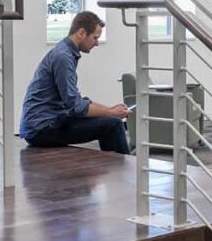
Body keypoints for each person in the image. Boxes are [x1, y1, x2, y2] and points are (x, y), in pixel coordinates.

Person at [20, 11, 131, 153]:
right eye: (95, 38)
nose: (96, 43)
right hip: (41, 129)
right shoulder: (63, 57)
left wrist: (110, 110)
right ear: (81, 33)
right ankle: (127, 172)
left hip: (46, 123)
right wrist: (111, 113)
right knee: (113, 124)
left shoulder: (64, 52)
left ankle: (116, 170)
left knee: (109, 120)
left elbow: (77, 101)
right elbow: (76, 107)